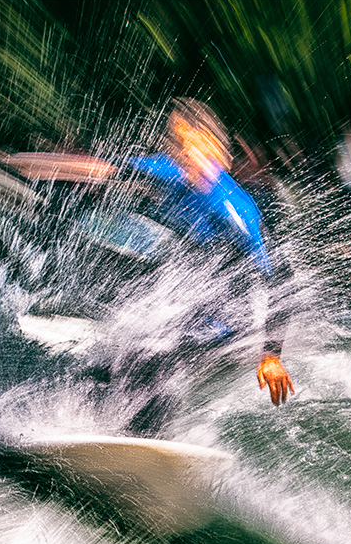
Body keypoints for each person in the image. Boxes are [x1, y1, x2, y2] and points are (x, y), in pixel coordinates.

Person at [126, 97, 296, 406]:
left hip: (228, 328)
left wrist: (271, 356)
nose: (179, 153)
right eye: (174, 144)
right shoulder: (172, 172)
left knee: (158, 358)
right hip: (189, 311)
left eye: (185, 144)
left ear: (212, 148)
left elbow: (283, 284)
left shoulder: (235, 209)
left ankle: (147, 439)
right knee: (127, 352)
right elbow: (112, 168)